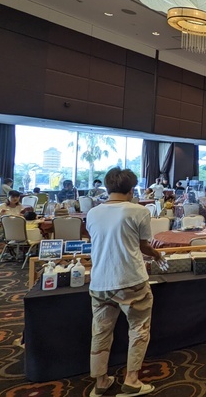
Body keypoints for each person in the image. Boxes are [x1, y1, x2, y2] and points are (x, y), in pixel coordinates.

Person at [86, 167, 161, 397]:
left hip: (99, 281)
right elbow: (144, 246)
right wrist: (157, 255)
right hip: (131, 280)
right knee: (138, 329)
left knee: (100, 331)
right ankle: (131, 380)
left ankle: (101, 381)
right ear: (131, 190)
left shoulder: (92, 213)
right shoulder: (138, 211)